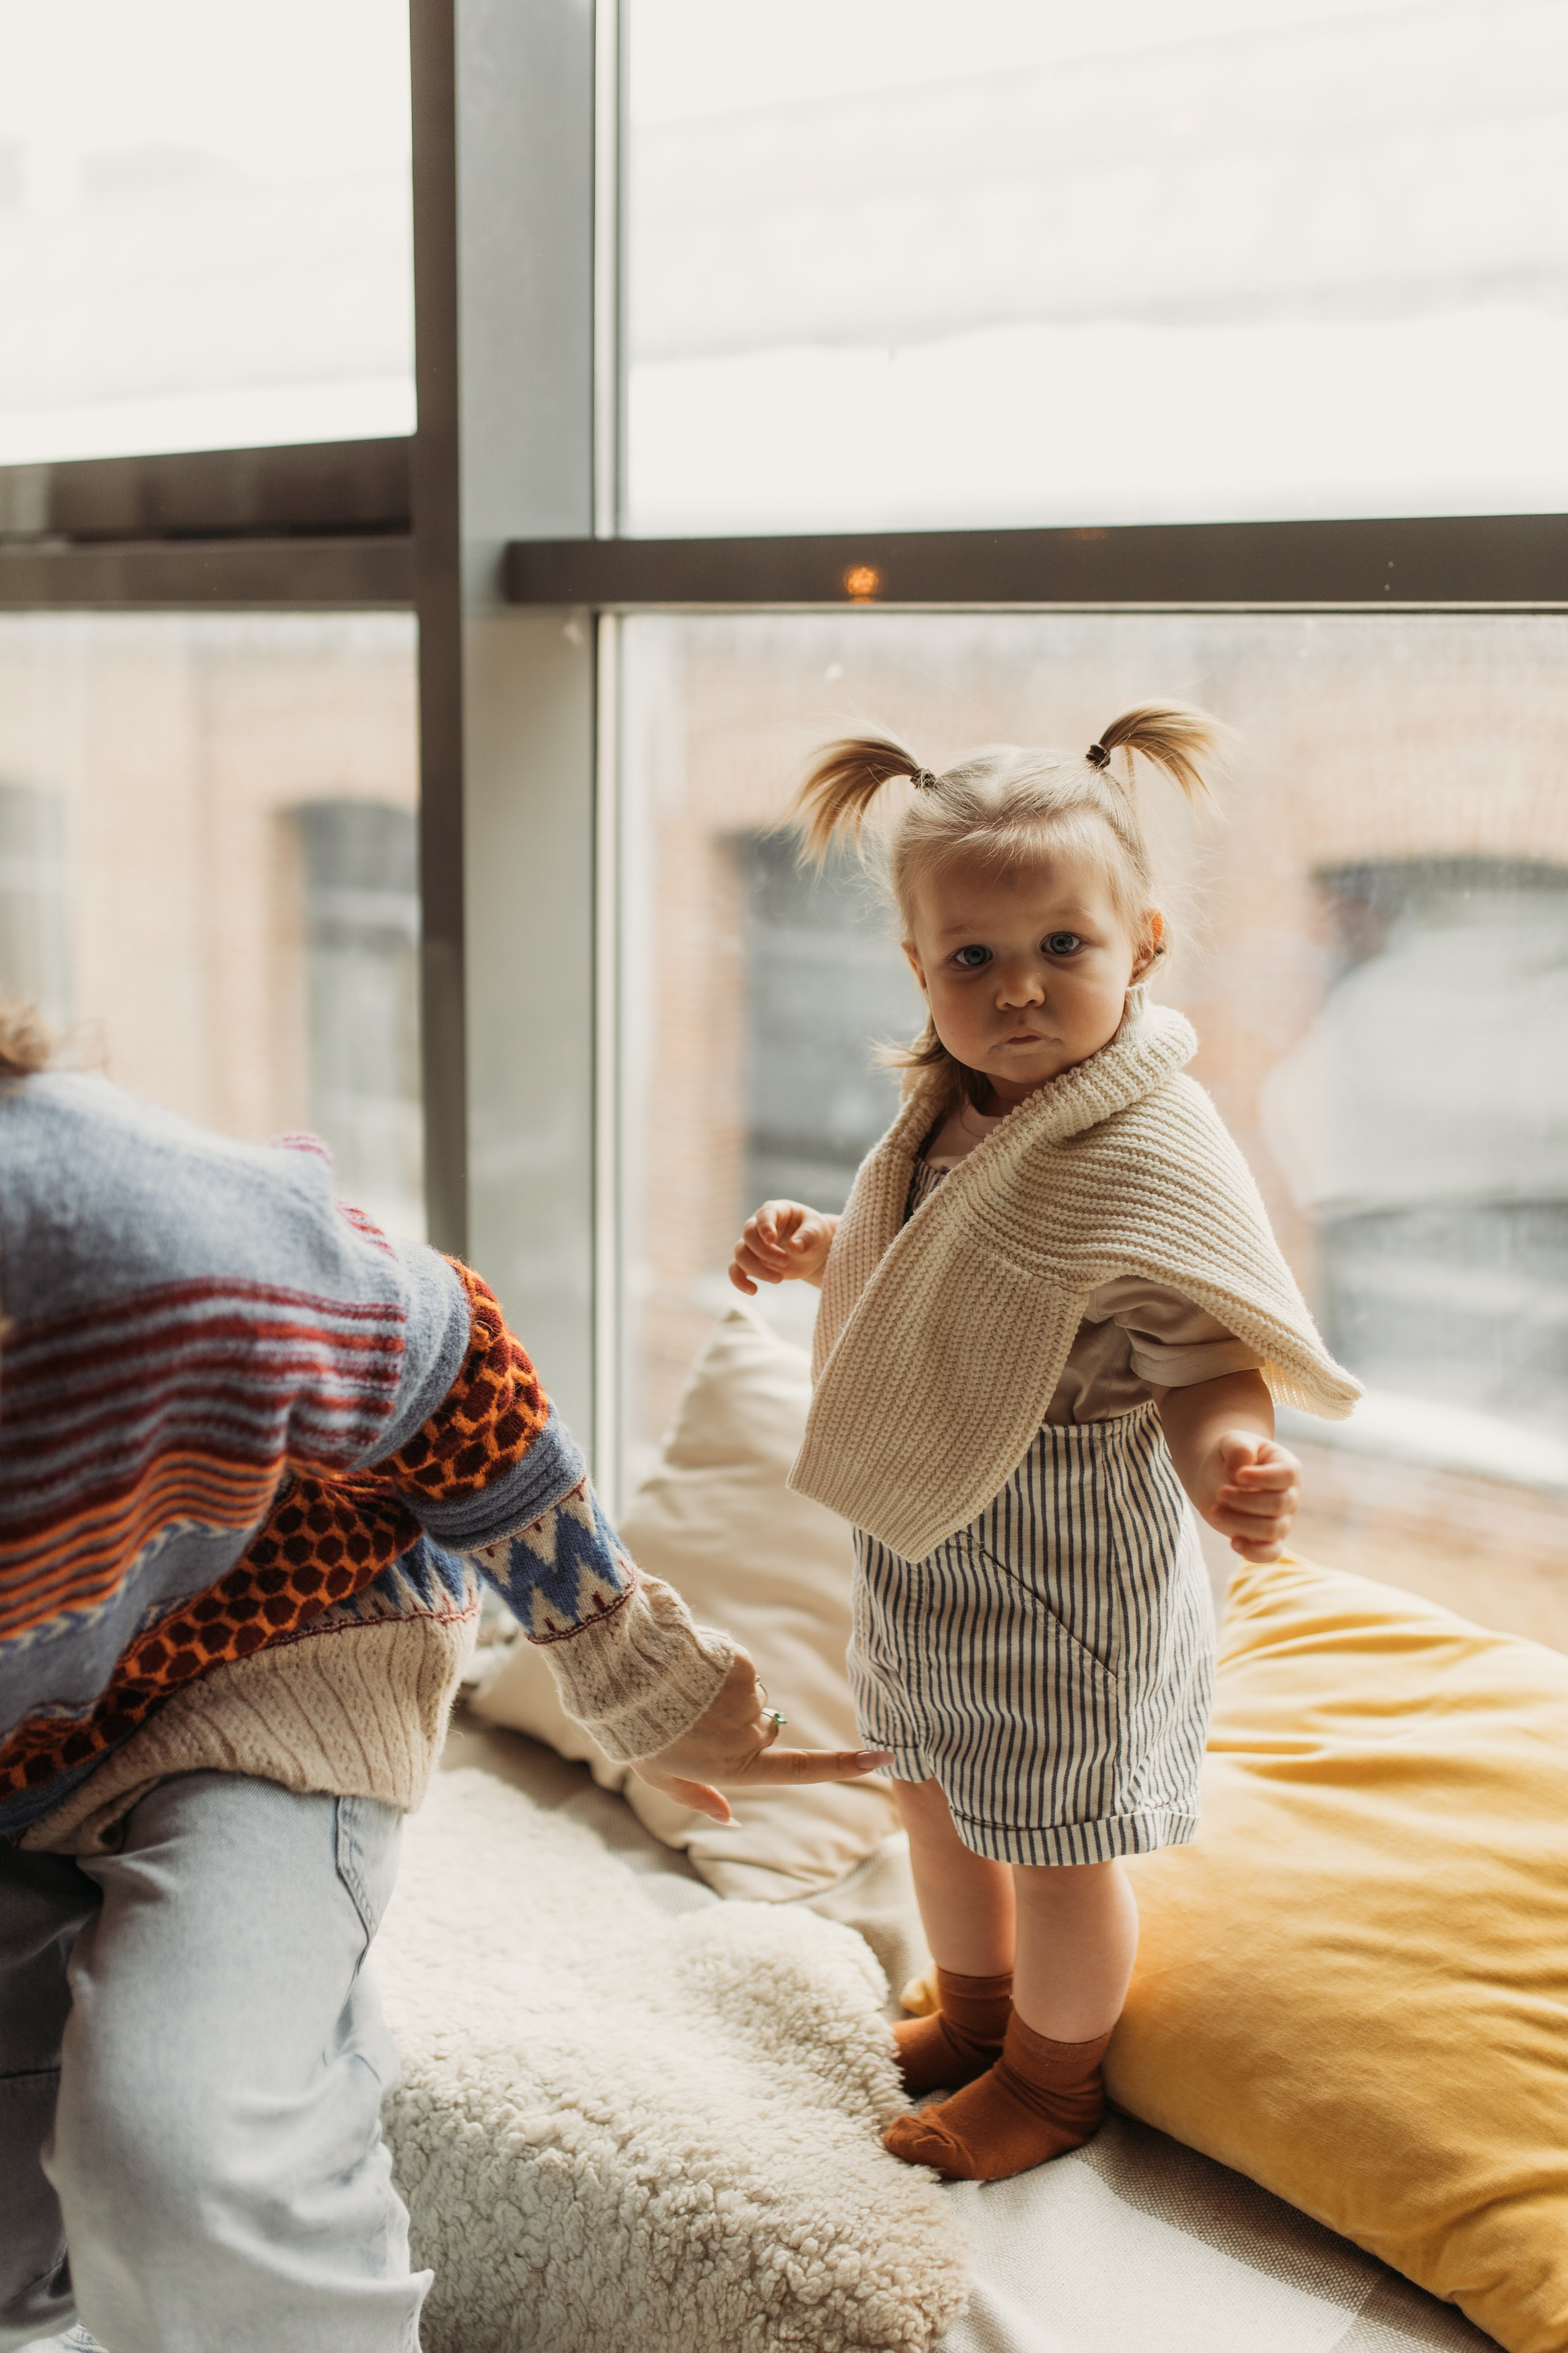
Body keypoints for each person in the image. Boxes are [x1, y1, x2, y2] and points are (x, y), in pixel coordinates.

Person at [0, 997, 890, 2353]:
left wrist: (634, 1672)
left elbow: (447, 1362)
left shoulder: (116, 1226)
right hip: (36, 1712)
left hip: (276, 1652)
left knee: (182, 2154)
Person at [728, 707, 1359, 2183]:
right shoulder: (947, 1106)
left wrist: (1231, 1464)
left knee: (1058, 1833)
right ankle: (977, 2005)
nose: (1017, 989)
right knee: (929, 1786)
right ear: (918, 968)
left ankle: (1053, 2077)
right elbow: (949, 1271)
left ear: (1139, 941)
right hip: (923, 1526)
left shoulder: (1146, 1140)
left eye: (1058, 949)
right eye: (974, 959)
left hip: (1063, 1548)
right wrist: (830, 1248)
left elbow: (1202, 1349)